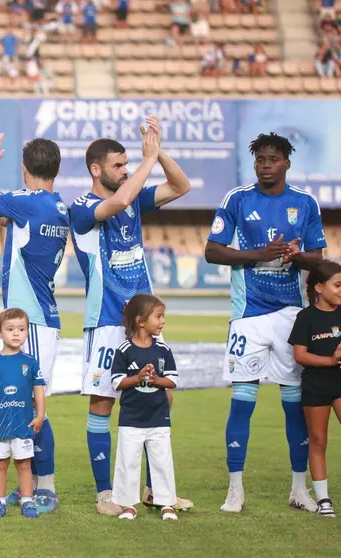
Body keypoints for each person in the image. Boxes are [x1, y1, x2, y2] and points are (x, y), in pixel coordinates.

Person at [69, 117, 193, 514]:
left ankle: (157, 491)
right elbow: (120, 201)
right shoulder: (83, 207)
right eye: (118, 166)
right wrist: (147, 161)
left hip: (143, 320)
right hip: (107, 320)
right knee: (102, 403)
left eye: (127, 165)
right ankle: (107, 492)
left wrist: (159, 154)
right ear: (96, 169)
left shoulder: (134, 196)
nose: (124, 171)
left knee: (159, 398)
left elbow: (181, 186)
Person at [204, 132, 326, 514]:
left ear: (286, 163)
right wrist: (259, 253)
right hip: (248, 317)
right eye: (260, 159)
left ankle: (299, 488)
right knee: (242, 404)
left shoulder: (304, 203)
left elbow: (319, 260)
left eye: (273, 159)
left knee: (294, 406)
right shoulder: (237, 199)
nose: (266, 165)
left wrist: (296, 255)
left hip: (291, 316)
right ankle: (235, 490)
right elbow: (211, 251)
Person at [0, 120, 65, 511]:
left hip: (33, 318)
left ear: (25, 169)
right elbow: (4, 218)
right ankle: (39, 485)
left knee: (35, 405)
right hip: (41, 316)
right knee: (30, 404)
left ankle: (46, 486)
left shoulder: (30, 201)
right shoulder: (51, 206)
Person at [110, 294, 179, 521]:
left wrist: (156, 380)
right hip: (131, 417)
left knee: (162, 461)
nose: (163, 322)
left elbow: (173, 381)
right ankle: (128, 505)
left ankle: (166, 503)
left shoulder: (163, 350)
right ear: (141, 321)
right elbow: (117, 382)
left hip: (158, 417)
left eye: (163, 317)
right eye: (158, 317)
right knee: (127, 462)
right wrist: (138, 377)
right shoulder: (124, 350)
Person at [0, 308, 46, 519]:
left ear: (26, 333)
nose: (16, 334)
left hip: (23, 424)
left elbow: (39, 390)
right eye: (10, 329)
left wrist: (40, 415)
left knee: (24, 463)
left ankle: (27, 501)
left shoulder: (30, 362)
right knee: (0, 463)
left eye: (21, 329)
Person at [288, 259, 341, 517]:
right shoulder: (306, 317)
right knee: (318, 440)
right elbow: (300, 355)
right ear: (319, 288)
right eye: (338, 285)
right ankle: (324, 501)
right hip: (316, 386)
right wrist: (330, 360)